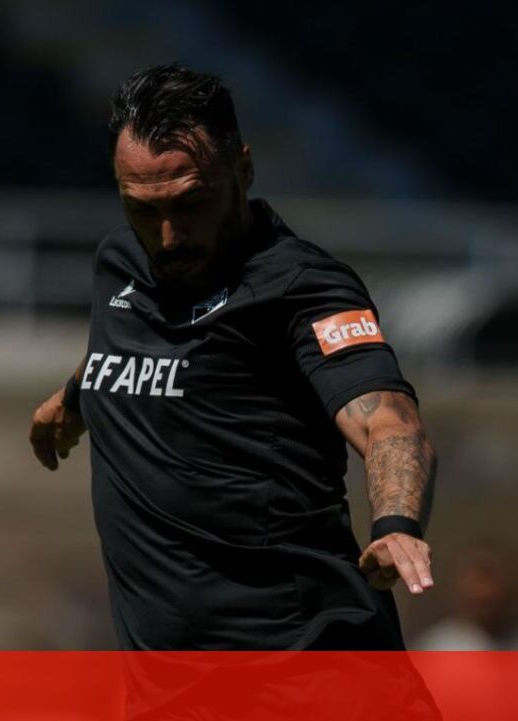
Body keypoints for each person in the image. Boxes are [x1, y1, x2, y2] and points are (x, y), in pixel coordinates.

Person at [28, 64, 438, 652]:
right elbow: (139, 342)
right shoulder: (119, 263)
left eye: (191, 202)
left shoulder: (301, 287)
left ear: (243, 169)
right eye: (142, 209)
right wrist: (75, 396)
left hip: (308, 667)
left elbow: (388, 419)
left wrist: (396, 523)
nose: (168, 236)